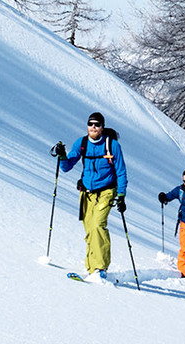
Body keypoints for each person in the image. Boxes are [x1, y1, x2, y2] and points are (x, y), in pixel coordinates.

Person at [51, 112, 128, 280]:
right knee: (89, 229)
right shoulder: (82, 143)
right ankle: (91, 267)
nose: (94, 127)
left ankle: (101, 268)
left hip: (107, 191)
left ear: (102, 127)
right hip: (86, 193)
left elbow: (121, 172)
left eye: (97, 124)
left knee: (98, 225)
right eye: (91, 124)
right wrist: (62, 155)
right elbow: (66, 167)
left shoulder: (112, 145)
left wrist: (121, 195)